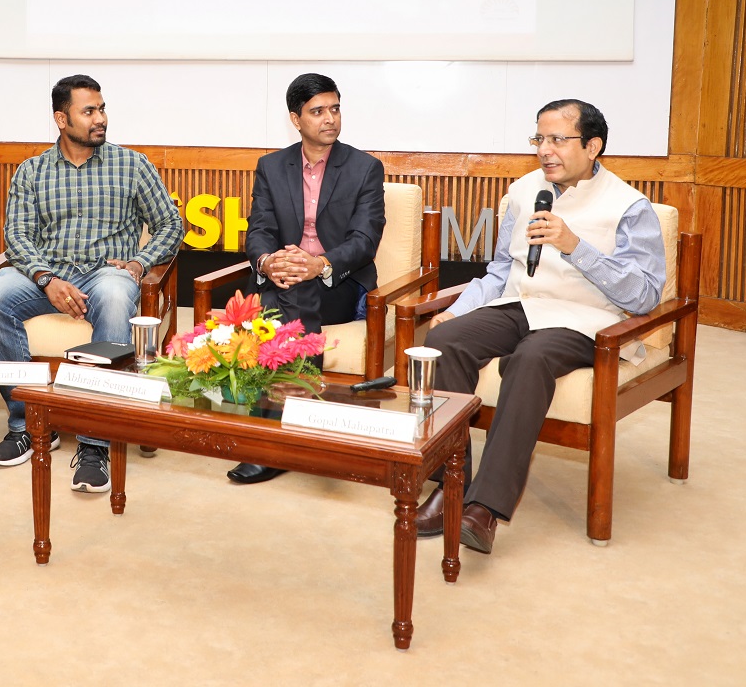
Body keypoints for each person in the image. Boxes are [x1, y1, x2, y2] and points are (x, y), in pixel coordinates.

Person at [415, 99, 666, 555]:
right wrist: (460, 309)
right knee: (444, 340)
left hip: (585, 318)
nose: (545, 151)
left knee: (529, 359)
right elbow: (498, 270)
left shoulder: (629, 206)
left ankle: (484, 508)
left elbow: (645, 294)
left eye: (558, 140)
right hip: (521, 304)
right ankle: (449, 481)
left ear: (593, 146)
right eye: (539, 139)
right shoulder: (524, 190)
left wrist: (575, 246)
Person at [0, 75, 184, 493]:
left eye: (102, 109)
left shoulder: (132, 164)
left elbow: (171, 224)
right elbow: (17, 237)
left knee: (115, 291)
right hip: (46, 274)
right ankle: (29, 423)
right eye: (89, 111)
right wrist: (46, 279)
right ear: (60, 118)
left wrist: (140, 264)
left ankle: (94, 439)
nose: (100, 119)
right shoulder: (31, 171)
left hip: (106, 270)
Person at [227, 73, 386, 484]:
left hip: (339, 283)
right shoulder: (271, 166)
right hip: (284, 278)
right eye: (318, 111)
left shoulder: (364, 167)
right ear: (296, 119)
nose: (330, 119)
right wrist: (267, 263)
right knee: (283, 291)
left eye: (334, 108)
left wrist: (319, 265)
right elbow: (259, 229)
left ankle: (272, 438)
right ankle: (300, 429)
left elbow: (365, 240)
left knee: (285, 298)